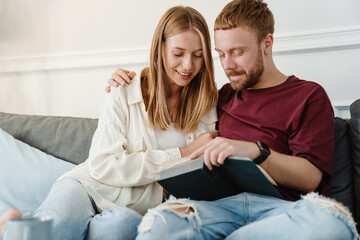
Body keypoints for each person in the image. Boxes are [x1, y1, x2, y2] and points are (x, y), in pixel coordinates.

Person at [106, 0, 359, 239]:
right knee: (161, 222)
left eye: (238, 52)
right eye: (221, 54)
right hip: (219, 209)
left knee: (333, 223)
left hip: (281, 211)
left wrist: (254, 152)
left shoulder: (308, 96)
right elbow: (170, 88)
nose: (228, 65)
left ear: (267, 43)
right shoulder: (220, 97)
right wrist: (131, 81)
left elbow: (310, 178)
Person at [0, 6, 219, 240]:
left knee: (121, 228)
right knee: (50, 233)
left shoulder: (208, 105)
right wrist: (182, 153)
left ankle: (23, 225)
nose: (188, 65)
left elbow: (198, 178)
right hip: (88, 189)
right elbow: (103, 164)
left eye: (198, 55)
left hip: (131, 210)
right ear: (160, 49)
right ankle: (8, 228)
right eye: (178, 53)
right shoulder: (125, 90)